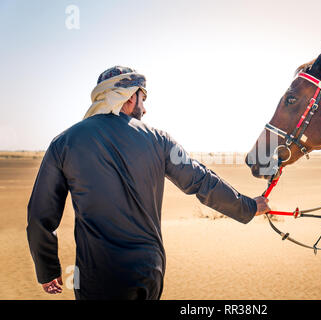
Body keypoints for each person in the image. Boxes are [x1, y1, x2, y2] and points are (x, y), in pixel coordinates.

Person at [27, 66, 270, 300]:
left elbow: (40, 214)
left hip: (97, 274)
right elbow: (200, 181)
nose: (144, 108)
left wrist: (47, 268)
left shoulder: (65, 142)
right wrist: (248, 207)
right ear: (130, 97)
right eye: (143, 98)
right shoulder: (159, 140)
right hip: (148, 271)